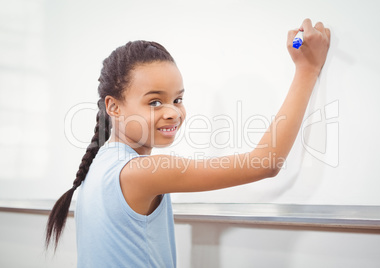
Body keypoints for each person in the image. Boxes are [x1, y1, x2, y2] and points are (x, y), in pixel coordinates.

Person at [46, 18, 330, 267]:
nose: (172, 111)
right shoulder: (142, 172)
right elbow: (267, 162)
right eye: (155, 101)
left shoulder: (100, 165)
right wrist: (306, 69)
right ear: (114, 107)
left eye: (177, 99)